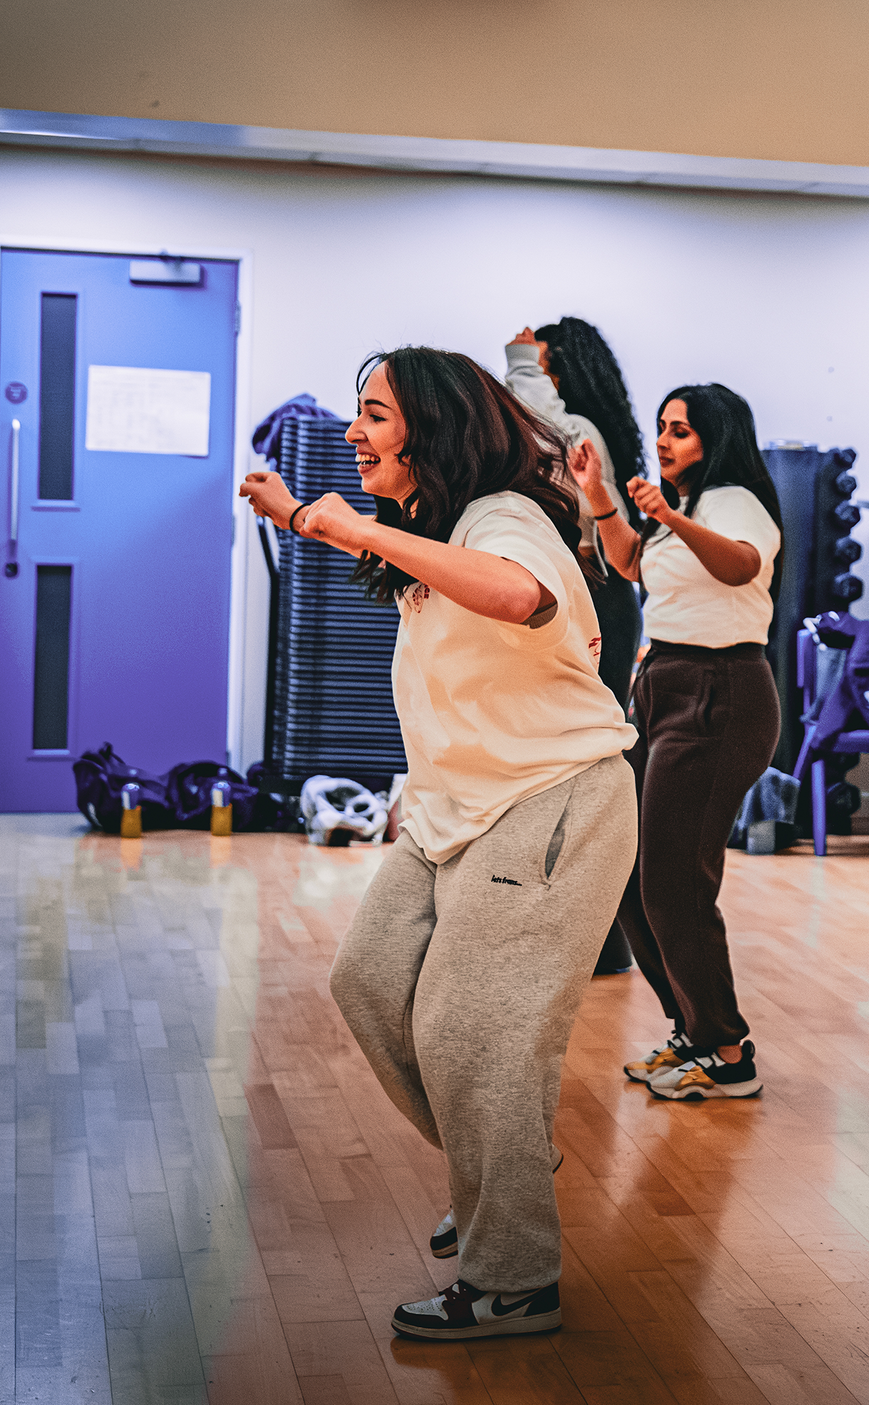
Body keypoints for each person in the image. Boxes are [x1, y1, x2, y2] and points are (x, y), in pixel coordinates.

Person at [241, 348, 637, 1341]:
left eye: (373, 413)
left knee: (471, 1030)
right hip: (452, 806)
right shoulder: (441, 523)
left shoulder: (502, 517)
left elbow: (515, 594)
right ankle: (497, 1158)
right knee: (371, 981)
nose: (353, 430)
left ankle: (512, 1279)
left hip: (547, 802)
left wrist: (334, 518)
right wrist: (302, 512)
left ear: (433, 425)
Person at [572, 383, 783, 1101]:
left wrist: (666, 515)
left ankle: (727, 1050)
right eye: (663, 428)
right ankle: (693, 1032)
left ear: (714, 439)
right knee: (628, 876)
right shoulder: (683, 508)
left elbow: (740, 565)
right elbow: (631, 564)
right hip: (664, 682)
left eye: (681, 431)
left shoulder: (732, 500)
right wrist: (601, 495)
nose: (665, 441)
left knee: (674, 881)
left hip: (721, 690)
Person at [505, 318, 648, 707]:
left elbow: (552, 431)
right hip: (577, 593)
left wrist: (520, 361)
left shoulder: (580, 432)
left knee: (592, 732)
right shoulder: (556, 438)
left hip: (596, 596)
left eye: (539, 368)